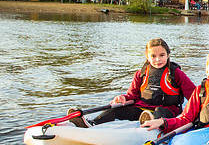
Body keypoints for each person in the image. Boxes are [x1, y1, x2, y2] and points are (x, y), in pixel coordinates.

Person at [68, 38, 196, 127]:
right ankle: (92, 123)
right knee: (116, 109)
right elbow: (132, 96)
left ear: (168, 55)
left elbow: (193, 96)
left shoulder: (175, 73)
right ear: (147, 56)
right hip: (142, 109)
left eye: (162, 55)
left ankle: (150, 124)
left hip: (167, 111)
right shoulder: (141, 73)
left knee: (159, 112)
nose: (158, 60)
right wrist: (122, 98)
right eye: (153, 56)